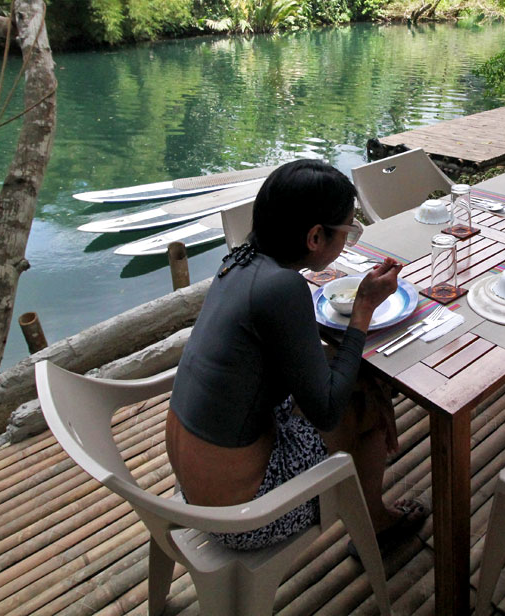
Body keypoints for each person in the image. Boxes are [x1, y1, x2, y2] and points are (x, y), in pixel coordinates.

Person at [165, 159, 426, 552]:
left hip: (196, 488)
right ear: (315, 237)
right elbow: (326, 411)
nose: (347, 241)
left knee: (363, 380)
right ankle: (376, 524)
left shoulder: (238, 262)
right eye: (347, 232)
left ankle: (371, 507)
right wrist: (362, 311)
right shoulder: (282, 288)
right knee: (369, 405)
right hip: (244, 514)